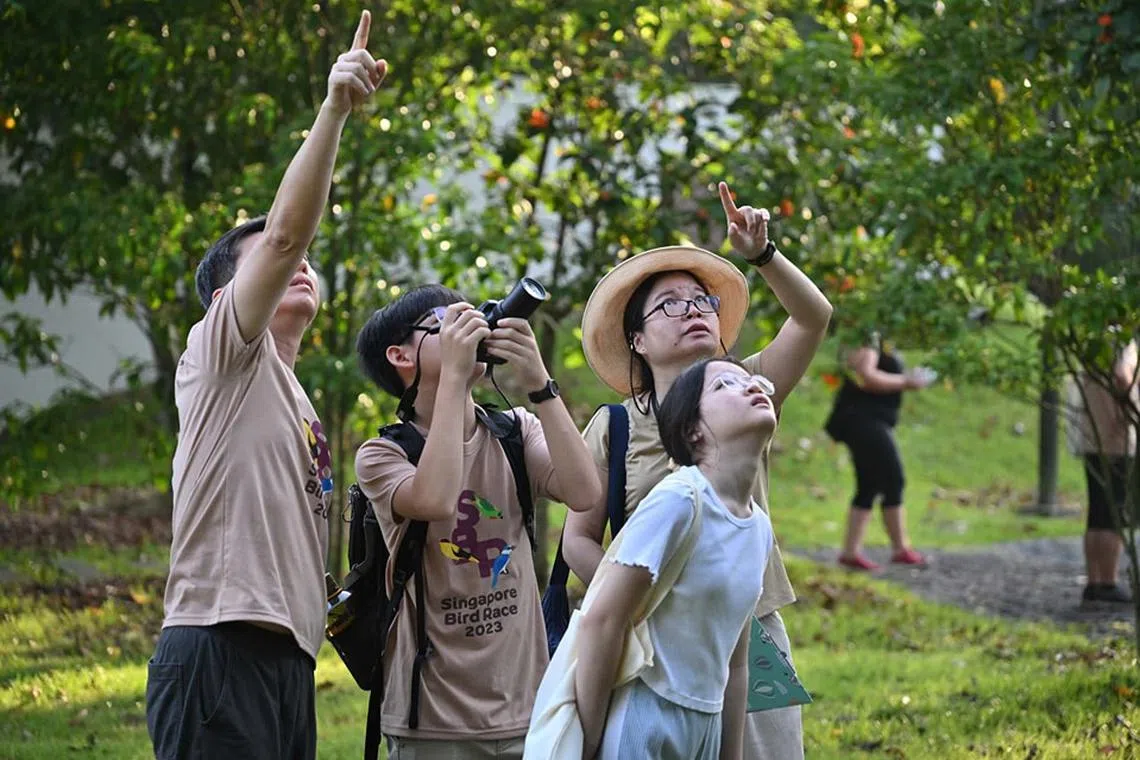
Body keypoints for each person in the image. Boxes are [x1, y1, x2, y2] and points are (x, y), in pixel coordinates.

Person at [144, 12, 387, 760]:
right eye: (275, 265)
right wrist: (335, 108)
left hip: (287, 664)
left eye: (300, 262)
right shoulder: (221, 357)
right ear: (229, 299)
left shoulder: (293, 394)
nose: (297, 262)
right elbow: (285, 234)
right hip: (217, 651)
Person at [567, 181, 832, 760]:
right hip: (647, 637)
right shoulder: (612, 428)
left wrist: (763, 255)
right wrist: (641, 601)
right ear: (636, 339)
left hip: (746, 625)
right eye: (669, 304)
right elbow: (578, 541)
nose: (692, 310)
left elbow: (813, 318)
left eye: (701, 301)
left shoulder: (746, 388)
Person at [354, 284, 602, 759]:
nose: (467, 328)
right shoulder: (382, 455)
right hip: (433, 719)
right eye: (446, 322)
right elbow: (437, 498)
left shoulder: (514, 432)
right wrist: (452, 377)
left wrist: (540, 385)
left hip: (527, 706)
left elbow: (585, 492)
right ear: (400, 356)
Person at [575, 358, 778, 760]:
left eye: (749, 379)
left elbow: (735, 664)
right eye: (724, 385)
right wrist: (585, 742)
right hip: (644, 719)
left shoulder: (758, 527)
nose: (750, 386)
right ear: (693, 430)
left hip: (707, 724)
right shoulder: (679, 500)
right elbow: (603, 620)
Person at [823, 334, 931, 571]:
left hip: (866, 420)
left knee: (869, 483)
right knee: (893, 478)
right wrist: (906, 382)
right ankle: (901, 548)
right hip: (863, 420)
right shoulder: (869, 334)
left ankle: (850, 553)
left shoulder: (878, 336)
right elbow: (866, 375)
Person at [1069, 338, 1138, 605]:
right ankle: (1108, 582)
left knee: (1097, 512)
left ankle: (1094, 582)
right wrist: (1133, 409)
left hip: (1092, 435)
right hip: (1116, 437)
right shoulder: (1122, 342)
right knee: (1114, 513)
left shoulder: (1092, 341)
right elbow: (1123, 375)